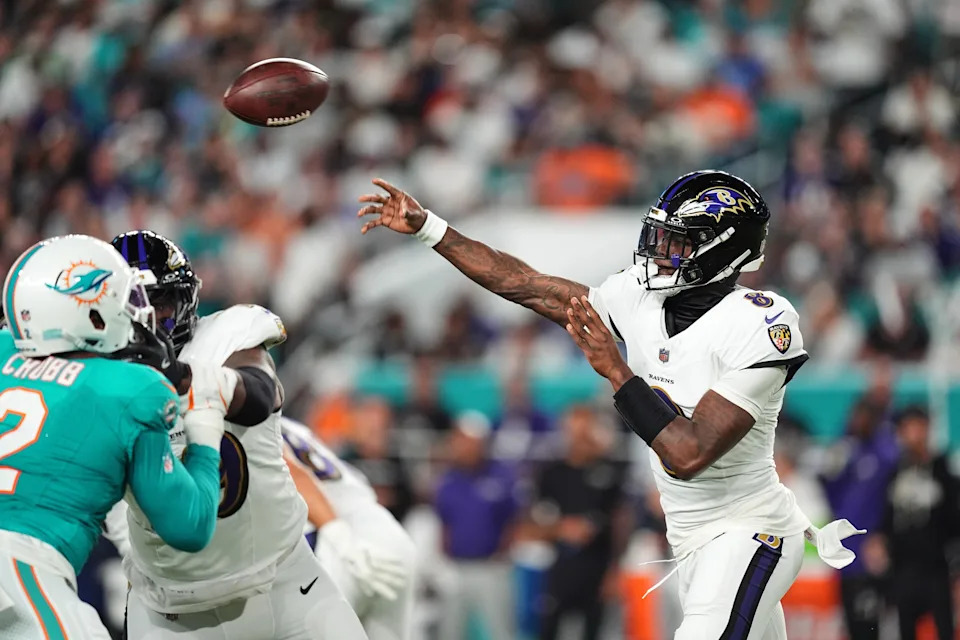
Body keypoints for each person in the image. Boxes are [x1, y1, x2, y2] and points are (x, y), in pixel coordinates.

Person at [357, 172, 864, 640]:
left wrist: (616, 371)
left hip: (752, 533)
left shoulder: (760, 322)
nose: (662, 252)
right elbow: (529, 286)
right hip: (691, 538)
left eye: (680, 241)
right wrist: (432, 229)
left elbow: (688, 454)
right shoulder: (641, 298)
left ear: (723, 251)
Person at [103, 231, 367, 639]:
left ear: (186, 299)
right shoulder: (95, 382)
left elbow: (262, 392)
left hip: (286, 582)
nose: (150, 320)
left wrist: (204, 382)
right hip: (171, 612)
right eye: (135, 307)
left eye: (161, 303)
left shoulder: (226, 339)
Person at [0, 234, 225, 639]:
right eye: (127, 301)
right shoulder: (132, 388)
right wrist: (206, 434)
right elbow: (189, 526)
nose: (139, 315)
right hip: (23, 567)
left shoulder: (3, 349)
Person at [281, 416, 414, 640]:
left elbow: (287, 470)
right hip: (385, 530)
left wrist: (338, 535)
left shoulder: (242, 425)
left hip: (338, 543)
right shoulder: (292, 426)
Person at [531, 405, 629, 640]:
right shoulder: (551, 474)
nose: (581, 436)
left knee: (594, 631)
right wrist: (561, 529)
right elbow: (529, 525)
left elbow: (621, 521)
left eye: (586, 429)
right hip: (559, 569)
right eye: (576, 430)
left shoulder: (610, 471)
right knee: (549, 629)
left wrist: (615, 570)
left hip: (598, 568)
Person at [871, 406, 959, 640]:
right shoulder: (895, 472)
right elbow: (886, 517)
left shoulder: (943, 471)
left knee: (944, 629)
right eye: (907, 429)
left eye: (917, 428)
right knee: (904, 629)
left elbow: (955, 521)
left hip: (937, 569)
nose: (912, 435)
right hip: (903, 569)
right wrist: (879, 540)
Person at [434, 411, 520, 640]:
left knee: (499, 631)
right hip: (456, 568)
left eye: (468, 441)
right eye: (459, 441)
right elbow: (444, 523)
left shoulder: (501, 475)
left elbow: (513, 519)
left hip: (491, 568)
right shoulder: (448, 479)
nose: (462, 447)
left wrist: (502, 557)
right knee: (450, 632)